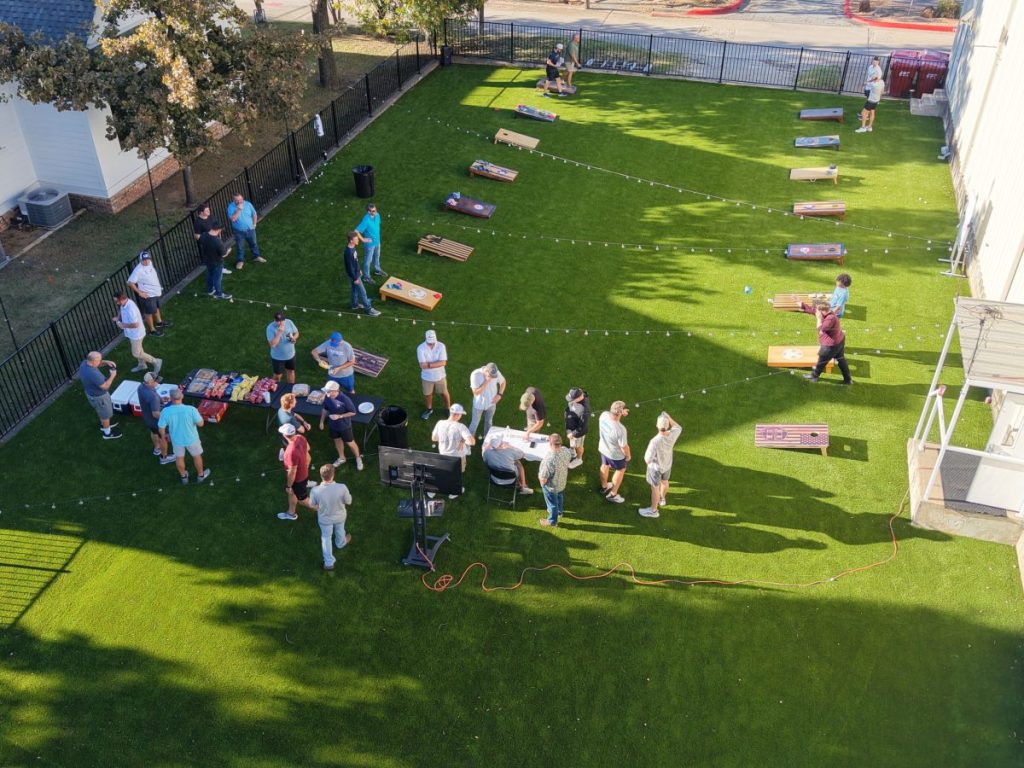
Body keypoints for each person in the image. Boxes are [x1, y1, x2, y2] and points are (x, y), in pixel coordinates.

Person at [158, 389, 210, 484]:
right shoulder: (191, 409)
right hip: (192, 439)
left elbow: (161, 428)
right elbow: (201, 424)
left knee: (179, 458)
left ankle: (184, 477)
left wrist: (165, 436)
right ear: (182, 397)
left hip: (176, 440)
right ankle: (200, 476)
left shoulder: (165, 411)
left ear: (171, 398)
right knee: (196, 456)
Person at [309, 463, 353, 570]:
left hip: (324, 518)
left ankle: (328, 563)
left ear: (321, 476)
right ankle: (341, 543)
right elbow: (349, 501)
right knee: (340, 529)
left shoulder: (315, 490)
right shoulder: (342, 487)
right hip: (340, 516)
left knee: (326, 538)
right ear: (333, 475)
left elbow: (312, 505)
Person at [639, 412, 682, 519]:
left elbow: (647, 459)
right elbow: (678, 426)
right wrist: (668, 417)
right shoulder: (673, 433)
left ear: (657, 426)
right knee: (665, 482)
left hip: (655, 468)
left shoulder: (654, 441)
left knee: (655, 488)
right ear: (667, 426)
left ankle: (654, 510)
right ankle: (662, 499)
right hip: (667, 465)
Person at [800, 299, 853, 385]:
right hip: (839, 341)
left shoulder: (830, 319)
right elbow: (813, 310)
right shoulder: (828, 312)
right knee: (841, 360)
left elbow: (820, 329)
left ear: (822, 311)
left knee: (821, 361)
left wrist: (818, 319)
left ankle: (814, 376)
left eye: (818, 310)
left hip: (831, 345)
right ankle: (848, 380)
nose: (816, 312)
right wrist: (801, 304)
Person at [113, 291, 162, 375]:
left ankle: (156, 361)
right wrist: (118, 317)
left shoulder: (131, 308)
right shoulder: (124, 303)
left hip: (136, 334)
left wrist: (123, 325)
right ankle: (142, 365)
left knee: (136, 353)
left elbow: (136, 324)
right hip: (131, 333)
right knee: (139, 350)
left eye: (116, 301)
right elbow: (121, 309)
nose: (116, 303)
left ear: (122, 299)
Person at [431, 404, 475, 496]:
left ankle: (433, 490)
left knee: (444, 473)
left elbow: (434, 438)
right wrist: (463, 440)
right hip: (457, 458)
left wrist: (446, 438)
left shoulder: (440, 423)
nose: (461, 416)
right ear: (457, 415)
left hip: (443, 455)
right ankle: (454, 492)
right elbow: (471, 442)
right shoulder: (460, 427)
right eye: (461, 414)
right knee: (456, 475)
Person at [319, 380, 363, 470]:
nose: (326, 393)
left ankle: (358, 458)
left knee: (350, 443)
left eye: (328, 391)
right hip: (333, 425)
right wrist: (321, 421)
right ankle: (342, 458)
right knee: (337, 441)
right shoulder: (327, 397)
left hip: (344, 426)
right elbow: (325, 409)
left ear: (335, 391)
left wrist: (340, 416)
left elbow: (353, 412)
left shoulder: (345, 400)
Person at [127, 250, 170, 336]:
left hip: (156, 292)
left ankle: (159, 322)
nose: (146, 261)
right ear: (140, 260)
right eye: (144, 260)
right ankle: (152, 330)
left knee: (156, 307)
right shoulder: (138, 270)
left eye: (147, 259)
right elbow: (130, 282)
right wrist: (140, 293)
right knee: (148, 312)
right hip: (148, 295)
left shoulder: (150, 263)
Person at [79, 351, 121, 439]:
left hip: (91, 394)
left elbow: (97, 364)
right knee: (105, 415)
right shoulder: (93, 374)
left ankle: (104, 424)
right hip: (99, 397)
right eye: (99, 360)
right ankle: (107, 433)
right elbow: (105, 387)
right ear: (93, 361)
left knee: (101, 411)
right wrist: (113, 375)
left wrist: (106, 362)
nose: (100, 361)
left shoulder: (84, 364)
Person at [278, 423, 314, 521]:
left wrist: (289, 486)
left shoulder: (290, 452)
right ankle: (291, 513)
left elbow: (292, 472)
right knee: (292, 493)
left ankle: (323, 510)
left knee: (302, 500)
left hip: (298, 479)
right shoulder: (300, 437)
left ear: (285, 435)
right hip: (304, 473)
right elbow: (308, 449)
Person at [138, 373, 176, 464]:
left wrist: (161, 400)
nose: (158, 382)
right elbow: (156, 414)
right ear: (150, 382)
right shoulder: (152, 397)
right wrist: (168, 419)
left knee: (154, 432)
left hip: (147, 418)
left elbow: (152, 398)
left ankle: (157, 448)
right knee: (163, 437)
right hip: (156, 421)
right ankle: (164, 457)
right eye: (156, 381)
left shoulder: (141, 387)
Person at [598, 400, 630, 504]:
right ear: (619, 413)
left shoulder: (603, 415)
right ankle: (613, 494)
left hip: (603, 448)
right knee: (620, 470)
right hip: (615, 455)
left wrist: (621, 413)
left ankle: (604, 486)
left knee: (604, 465)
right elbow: (624, 446)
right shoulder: (620, 429)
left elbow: (611, 414)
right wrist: (628, 455)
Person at [538, 433, 573, 527]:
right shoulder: (566, 451)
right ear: (560, 443)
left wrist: (543, 485)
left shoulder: (549, 460)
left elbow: (543, 479)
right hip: (562, 482)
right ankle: (560, 512)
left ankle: (552, 521)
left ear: (550, 444)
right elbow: (572, 454)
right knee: (560, 497)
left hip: (551, 487)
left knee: (552, 504)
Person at [343, 230, 381, 317]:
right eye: (356, 239)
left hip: (356, 273)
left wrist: (359, 269)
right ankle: (368, 309)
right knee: (363, 292)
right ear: (351, 241)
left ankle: (354, 305)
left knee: (354, 290)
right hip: (354, 276)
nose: (358, 240)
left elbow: (355, 261)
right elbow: (350, 267)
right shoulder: (348, 252)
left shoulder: (352, 247)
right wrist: (355, 278)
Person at [417, 329, 450, 421]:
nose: (431, 344)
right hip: (426, 377)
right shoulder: (420, 348)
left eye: (432, 342)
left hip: (440, 376)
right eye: (429, 342)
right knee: (428, 394)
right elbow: (422, 365)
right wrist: (436, 363)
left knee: (444, 393)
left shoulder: (441, 346)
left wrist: (428, 365)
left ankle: (448, 408)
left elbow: (443, 362)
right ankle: (429, 409)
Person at [227, 192, 265, 269]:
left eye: (241, 199)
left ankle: (256, 256)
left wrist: (254, 224)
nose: (240, 201)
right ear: (234, 200)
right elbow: (233, 219)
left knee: (253, 244)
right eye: (237, 200)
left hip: (250, 229)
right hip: (239, 232)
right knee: (240, 247)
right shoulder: (230, 207)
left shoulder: (248, 204)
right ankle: (240, 261)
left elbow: (254, 214)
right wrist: (238, 210)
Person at [468, 362, 505, 438]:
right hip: (478, 404)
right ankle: (469, 441)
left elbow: (503, 382)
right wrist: (486, 382)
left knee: (489, 422)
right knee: (475, 423)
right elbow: (475, 393)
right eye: (490, 376)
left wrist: (500, 395)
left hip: (491, 403)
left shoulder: (496, 372)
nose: (492, 378)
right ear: (486, 371)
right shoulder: (475, 374)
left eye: (493, 376)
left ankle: (487, 438)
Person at [199, 222, 233, 299]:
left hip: (207, 260)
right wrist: (228, 250)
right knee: (217, 278)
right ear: (219, 230)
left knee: (210, 275)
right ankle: (218, 293)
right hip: (217, 262)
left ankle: (210, 290)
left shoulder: (204, 235)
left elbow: (201, 242)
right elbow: (223, 254)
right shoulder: (217, 241)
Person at [354, 203, 385, 283]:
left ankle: (377, 270)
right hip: (370, 245)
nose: (375, 212)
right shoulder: (366, 220)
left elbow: (377, 226)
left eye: (375, 210)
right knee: (368, 261)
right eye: (373, 211)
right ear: (368, 212)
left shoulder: (377, 215)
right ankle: (366, 277)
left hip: (377, 242)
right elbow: (356, 231)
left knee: (377, 256)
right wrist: (363, 239)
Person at [266, 311, 299, 384]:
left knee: (291, 371)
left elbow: (296, 333)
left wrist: (294, 338)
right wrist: (279, 333)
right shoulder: (270, 328)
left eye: (282, 321)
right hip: (278, 357)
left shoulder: (289, 322)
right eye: (278, 321)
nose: (281, 323)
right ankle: (274, 391)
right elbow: (273, 345)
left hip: (291, 355)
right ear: (274, 320)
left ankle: (290, 388)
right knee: (277, 376)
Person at [564, 387, 590, 469]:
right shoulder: (578, 396)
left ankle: (579, 459)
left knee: (579, 446)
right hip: (571, 426)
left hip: (578, 433)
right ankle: (572, 451)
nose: (570, 401)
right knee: (572, 442)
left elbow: (582, 426)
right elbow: (570, 407)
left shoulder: (584, 410)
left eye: (572, 400)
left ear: (579, 398)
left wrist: (573, 434)